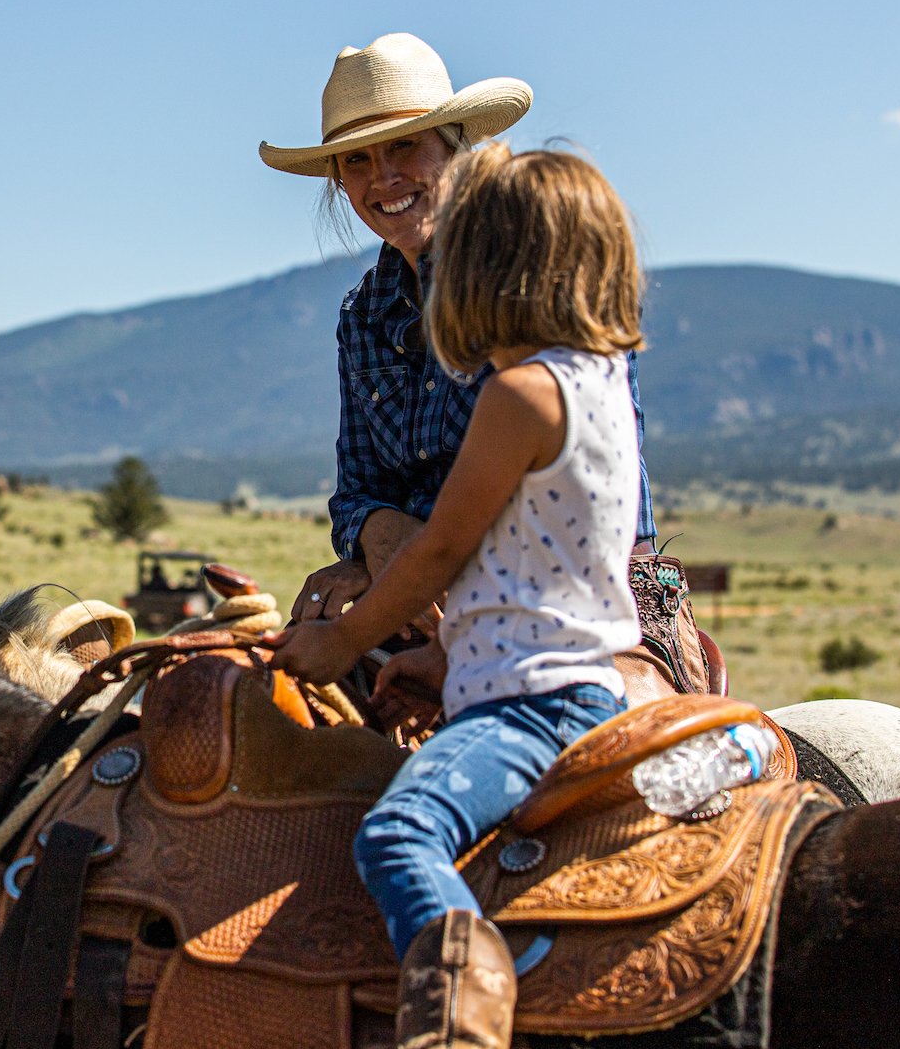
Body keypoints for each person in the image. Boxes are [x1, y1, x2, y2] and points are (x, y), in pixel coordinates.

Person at [267, 147, 647, 1049]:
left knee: (396, 835)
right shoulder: (591, 381)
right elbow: (541, 570)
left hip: (534, 703)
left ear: (492, 268)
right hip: (552, 668)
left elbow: (443, 549)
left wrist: (343, 638)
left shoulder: (519, 395)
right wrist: (442, 659)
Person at [259, 34, 654, 653]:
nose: (382, 177)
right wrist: (382, 539)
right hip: (422, 581)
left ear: (454, 145)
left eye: (403, 146)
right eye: (356, 160)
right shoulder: (364, 314)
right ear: (338, 179)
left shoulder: (533, 273)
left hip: (567, 591)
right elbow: (357, 490)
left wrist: (419, 560)